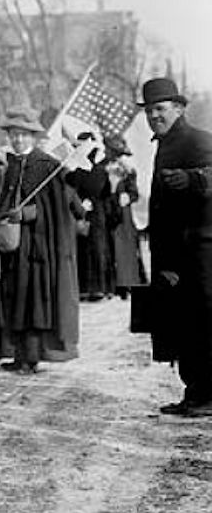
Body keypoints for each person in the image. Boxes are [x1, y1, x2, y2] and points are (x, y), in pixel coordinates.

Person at [140, 78, 212, 417]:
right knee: (184, 323)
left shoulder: (197, 139)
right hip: (175, 254)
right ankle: (195, 393)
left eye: (161, 108)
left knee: (201, 322)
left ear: (179, 108)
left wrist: (196, 178)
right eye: (150, 110)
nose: (154, 115)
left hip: (200, 252)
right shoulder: (165, 143)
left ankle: (205, 395)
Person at [0, 107, 79, 375]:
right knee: (14, 296)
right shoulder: (10, 165)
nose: (18, 140)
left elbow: (56, 210)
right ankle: (18, 354)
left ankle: (31, 356)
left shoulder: (46, 166)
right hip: (12, 245)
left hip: (37, 247)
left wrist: (28, 213)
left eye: (23, 135)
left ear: (33, 137)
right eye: (14, 135)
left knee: (32, 300)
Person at [69, 133, 113, 301]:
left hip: (84, 212)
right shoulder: (100, 171)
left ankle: (87, 288)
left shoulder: (76, 171)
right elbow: (106, 192)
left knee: (86, 250)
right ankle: (97, 288)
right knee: (94, 250)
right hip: (93, 212)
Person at [102, 136, 145, 298]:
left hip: (123, 214)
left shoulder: (128, 171)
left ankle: (128, 283)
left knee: (125, 249)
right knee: (109, 247)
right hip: (107, 211)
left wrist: (128, 195)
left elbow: (135, 193)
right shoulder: (102, 168)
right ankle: (112, 284)